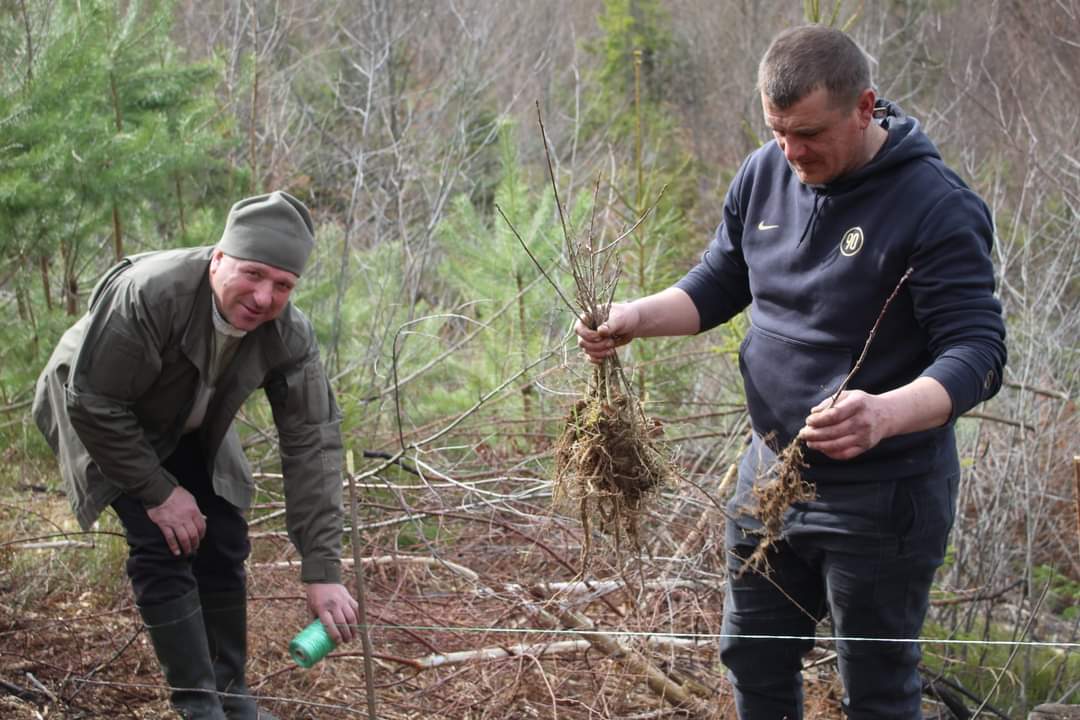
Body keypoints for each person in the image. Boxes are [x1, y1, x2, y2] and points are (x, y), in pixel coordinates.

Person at [576, 25, 1006, 720]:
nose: (792, 152)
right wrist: (635, 316)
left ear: (864, 107)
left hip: (883, 495)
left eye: (808, 134)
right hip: (769, 476)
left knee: (877, 690)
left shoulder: (935, 207)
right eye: (777, 132)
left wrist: (884, 413)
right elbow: (721, 282)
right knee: (753, 659)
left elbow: (977, 352)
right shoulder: (764, 174)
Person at [33, 191, 359, 720]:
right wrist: (159, 492)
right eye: (253, 273)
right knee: (163, 538)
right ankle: (200, 707)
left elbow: (313, 443)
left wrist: (322, 568)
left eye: (283, 285)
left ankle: (232, 697)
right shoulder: (149, 293)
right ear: (218, 259)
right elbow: (93, 402)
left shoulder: (289, 334)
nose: (264, 297)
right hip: (98, 406)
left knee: (223, 532)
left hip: (186, 412)